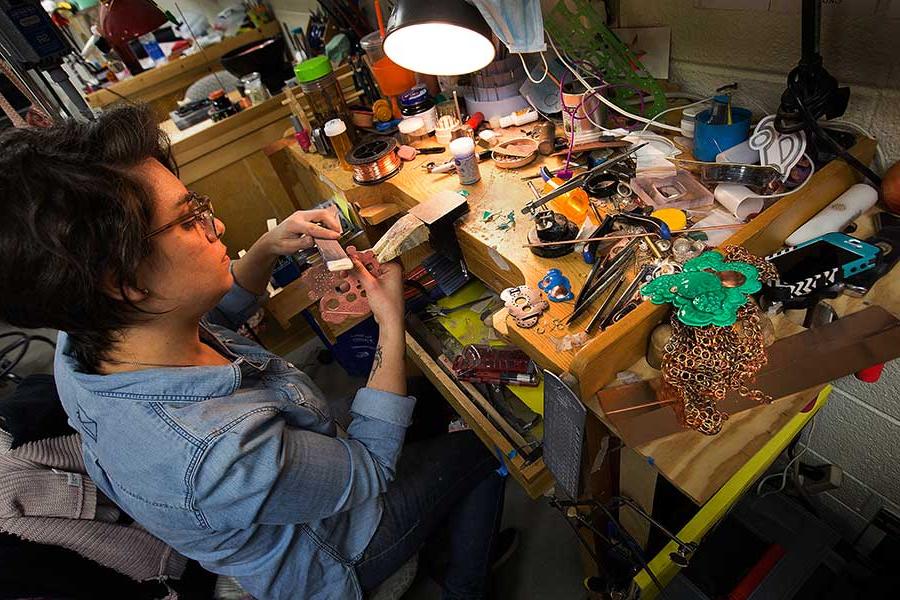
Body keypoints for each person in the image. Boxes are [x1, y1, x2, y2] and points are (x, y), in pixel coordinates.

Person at [0, 105, 510, 600]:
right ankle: (466, 585)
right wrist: (389, 321)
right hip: (333, 554)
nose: (216, 226)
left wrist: (268, 248)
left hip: (300, 471)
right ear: (121, 283)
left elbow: (213, 319)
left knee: (444, 404)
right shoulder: (209, 454)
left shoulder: (90, 336)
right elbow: (370, 467)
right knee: (487, 440)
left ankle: (445, 529)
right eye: (188, 220)